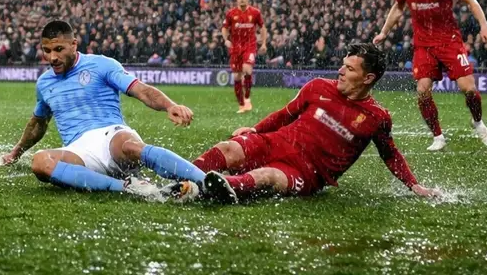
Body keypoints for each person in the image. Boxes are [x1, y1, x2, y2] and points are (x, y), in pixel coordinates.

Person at [180, 42, 441, 204]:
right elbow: (285, 114)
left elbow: (390, 155)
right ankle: (180, 178)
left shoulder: (376, 118)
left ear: (368, 78)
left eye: (349, 69)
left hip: (306, 173)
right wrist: (256, 130)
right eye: (343, 65)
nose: (340, 71)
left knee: (266, 177)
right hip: (277, 143)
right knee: (229, 148)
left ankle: (211, 189)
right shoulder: (317, 86)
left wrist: (413, 184)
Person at [0, 19, 206, 200]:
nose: (52, 57)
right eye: (47, 50)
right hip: (79, 149)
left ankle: (206, 181)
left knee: (131, 146)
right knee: (41, 162)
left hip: (112, 135)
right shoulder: (44, 83)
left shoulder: (101, 65)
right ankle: (130, 188)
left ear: (73, 45)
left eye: (58, 49)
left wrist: (169, 105)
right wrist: (16, 152)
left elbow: (140, 90)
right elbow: (38, 124)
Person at [373, 0, 487, 150]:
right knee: (422, 91)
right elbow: (397, 8)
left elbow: (471, 1)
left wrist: (484, 26)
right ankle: (438, 136)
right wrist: (384, 32)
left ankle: (478, 123)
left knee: (468, 89)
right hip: (423, 46)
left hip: (449, 42)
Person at [223, 0, 267, 113]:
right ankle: (242, 104)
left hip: (249, 46)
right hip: (235, 48)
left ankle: (247, 98)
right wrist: (226, 39)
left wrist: (264, 43)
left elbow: (263, 28)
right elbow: (224, 28)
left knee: (247, 69)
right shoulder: (231, 13)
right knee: (237, 76)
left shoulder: (255, 13)